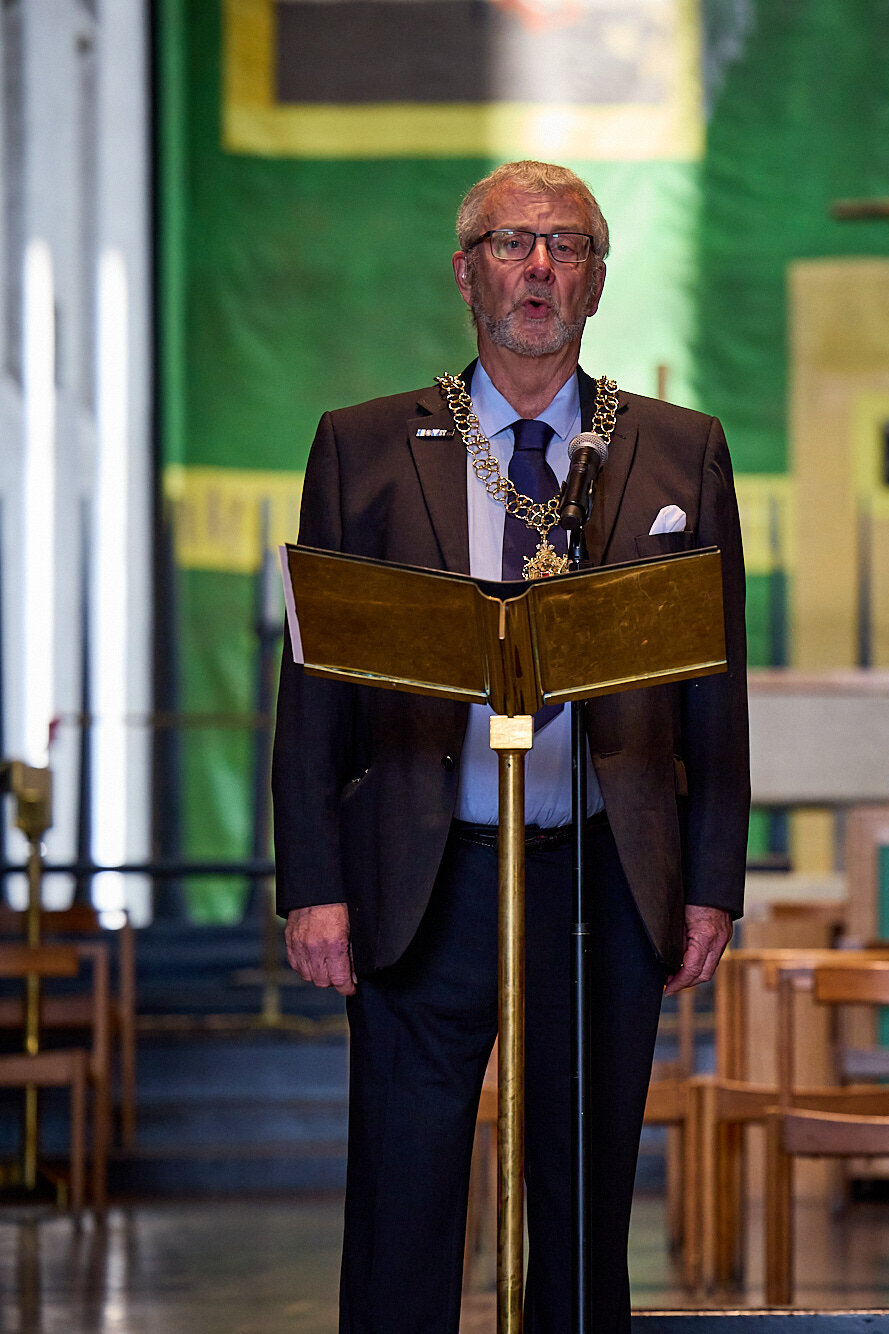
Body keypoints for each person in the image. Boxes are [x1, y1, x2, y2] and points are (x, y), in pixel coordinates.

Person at [273, 160, 749, 1333]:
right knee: (405, 1188)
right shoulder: (366, 445)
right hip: (422, 870)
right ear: (465, 272)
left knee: (582, 1203)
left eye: (566, 245)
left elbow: (716, 688)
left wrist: (712, 882)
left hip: (600, 866)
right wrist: (314, 885)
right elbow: (312, 687)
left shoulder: (676, 450)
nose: (538, 267)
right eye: (510, 242)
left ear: (594, 281)